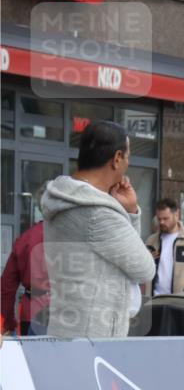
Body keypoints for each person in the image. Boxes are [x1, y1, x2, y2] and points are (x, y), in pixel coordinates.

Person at [41, 120, 155, 338]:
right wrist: (131, 213)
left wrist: (127, 211)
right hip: (94, 338)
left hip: (65, 327)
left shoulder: (62, 198)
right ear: (117, 158)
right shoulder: (97, 213)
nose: (127, 164)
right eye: (128, 157)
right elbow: (144, 268)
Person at [145, 198, 184, 296]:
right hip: (155, 300)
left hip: (182, 301)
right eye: (159, 219)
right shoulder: (151, 241)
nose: (161, 222)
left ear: (177, 215)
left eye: (165, 218)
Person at [1, 218, 49, 335]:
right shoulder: (75, 234)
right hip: (69, 316)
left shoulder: (25, 238)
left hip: (32, 313)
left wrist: (8, 323)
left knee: (31, 352)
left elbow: (7, 287)